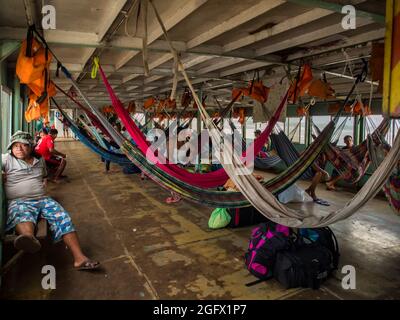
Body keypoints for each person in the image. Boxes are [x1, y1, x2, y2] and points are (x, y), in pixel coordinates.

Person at [1, 131, 99, 270]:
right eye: (15, 146)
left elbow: (43, 176)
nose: (19, 148)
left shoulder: (39, 159)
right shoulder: (6, 160)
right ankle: (28, 238)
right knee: (22, 214)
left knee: (63, 217)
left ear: (31, 147)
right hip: (19, 201)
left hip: (42, 199)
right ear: (11, 148)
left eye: (23, 145)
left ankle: (79, 258)